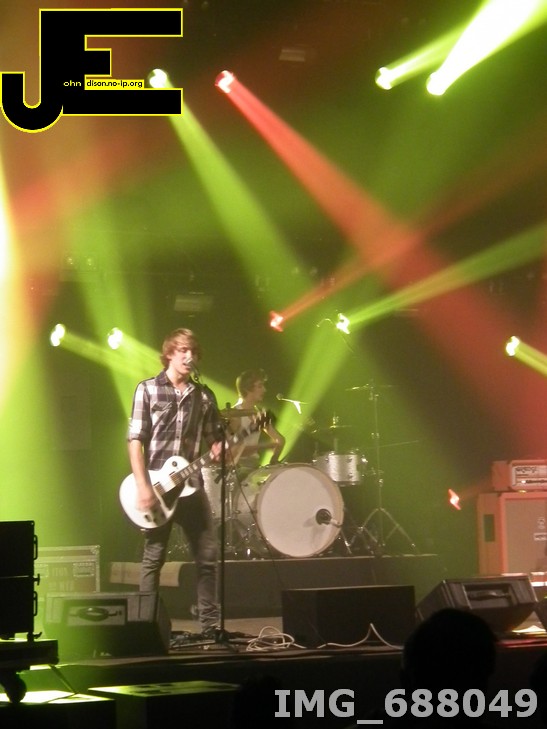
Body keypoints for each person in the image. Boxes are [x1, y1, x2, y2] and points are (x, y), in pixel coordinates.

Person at [127, 327, 223, 639]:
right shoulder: (147, 389)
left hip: (191, 485)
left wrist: (222, 449)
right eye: (183, 350)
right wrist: (143, 487)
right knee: (153, 558)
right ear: (169, 353)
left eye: (193, 351)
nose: (189, 356)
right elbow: (135, 442)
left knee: (207, 557)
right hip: (157, 488)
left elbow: (215, 440)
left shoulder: (204, 396)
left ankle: (210, 626)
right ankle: (146, 626)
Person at [230, 368, 285, 473]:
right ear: (247, 389)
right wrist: (266, 446)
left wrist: (274, 461)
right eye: (260, 386)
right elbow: (233, 451)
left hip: (254, 467)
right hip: (237, 469)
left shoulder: (259, 414)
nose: (264, 390)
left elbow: (280, 440)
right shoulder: (234, 415)